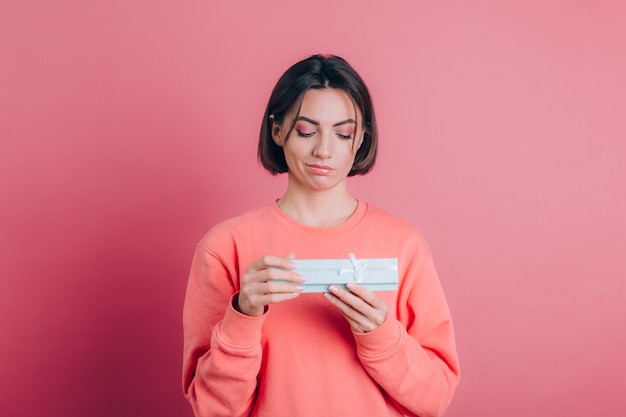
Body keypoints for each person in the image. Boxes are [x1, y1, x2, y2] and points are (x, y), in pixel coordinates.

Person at [182, 54, 460, 417]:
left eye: (343, 133)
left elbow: (434, 399)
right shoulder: (225, 247)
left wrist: (382, 336)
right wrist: (243, 315)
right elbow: (212, 409)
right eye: (306, 130)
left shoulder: (404, 245)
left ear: (360, 138)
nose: (324, 150)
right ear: (277, 130)